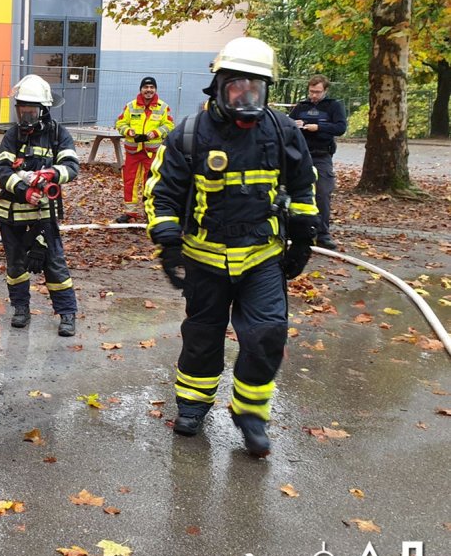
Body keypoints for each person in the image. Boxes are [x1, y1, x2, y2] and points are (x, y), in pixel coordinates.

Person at [144, 37, 319, 456]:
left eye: (254, 88)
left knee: (266, 335)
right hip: (204, 259)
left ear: (266, 91)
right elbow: (161, 194)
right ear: (219, 86)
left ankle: (251, 413)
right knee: (202, 337)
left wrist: (304, 237)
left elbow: (303, 187)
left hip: (262, 257)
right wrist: (168, 244)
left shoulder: (282, 131)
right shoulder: (188, 134)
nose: (245, 96)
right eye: (237, 86)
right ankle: (192, 405)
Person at [0, 74, 81, 337]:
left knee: (54, 263)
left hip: (44, 215)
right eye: (22, 112)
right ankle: (21, 309)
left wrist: (52, 175)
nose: (25, 118)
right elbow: (2, 169)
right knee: (16, 265)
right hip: (11, 215)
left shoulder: (57, 135)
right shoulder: (12, 136)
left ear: (43, 111)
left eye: (31, 112)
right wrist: (23, 190)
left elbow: (72, 167)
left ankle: (67, 314)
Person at [288, 75, 347, 250]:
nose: (314, 95)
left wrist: (319, 128)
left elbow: (340, 128)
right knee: (298, 193)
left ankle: (323, 234)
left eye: (317, 92)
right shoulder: (301, 106)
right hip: (302, 155)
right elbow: (287, 124)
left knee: (322, 193)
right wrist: (294, 124)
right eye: (311, 91)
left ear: (325, 90)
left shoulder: (334, 106)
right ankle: (297, 231)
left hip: (322, 155)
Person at [114, 75, 174, 223]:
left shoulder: (163, 107)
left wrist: (156, 133)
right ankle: (130, 213)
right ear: (141, 89)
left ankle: (150, 212)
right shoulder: (131, 106)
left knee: (152, 183)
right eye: (146, 87)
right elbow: (120, 124)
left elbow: (169, 125)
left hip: (152, 153)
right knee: (130, 182)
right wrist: (129, 132)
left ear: (155, 89)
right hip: (133, 151)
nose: (149, 90)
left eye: (151, 87)